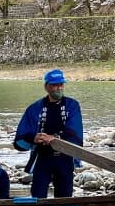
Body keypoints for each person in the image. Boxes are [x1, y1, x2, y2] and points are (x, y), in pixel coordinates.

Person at [14, 69, 83, 198]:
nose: (59, 88)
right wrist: (34, 137)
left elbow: (74, 130)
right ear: (46, 87)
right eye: (55, 85)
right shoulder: (35, 108)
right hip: (43, 157)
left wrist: (54, 138)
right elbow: (23, 133)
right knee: (38, 195)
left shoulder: (72, 105)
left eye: (61, 84)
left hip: (64, 157)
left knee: (64, 197)